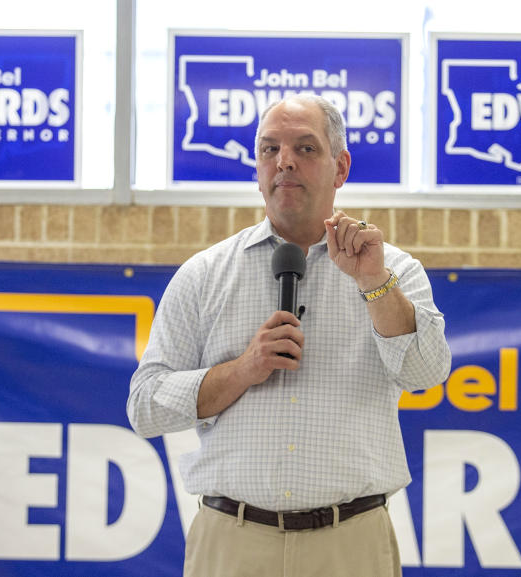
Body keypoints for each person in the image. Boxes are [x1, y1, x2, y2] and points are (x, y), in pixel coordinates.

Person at [127, 94, 451, 577]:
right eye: (269, 149)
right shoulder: (202, 276)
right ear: (257, 168)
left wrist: (372, 284)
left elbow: (426, 372)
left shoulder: (392, 271)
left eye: (305, 148)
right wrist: (242, 370)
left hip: (352, 546)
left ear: (340, 168)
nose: (284, 161)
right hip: (232, 544)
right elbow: (144, 406)